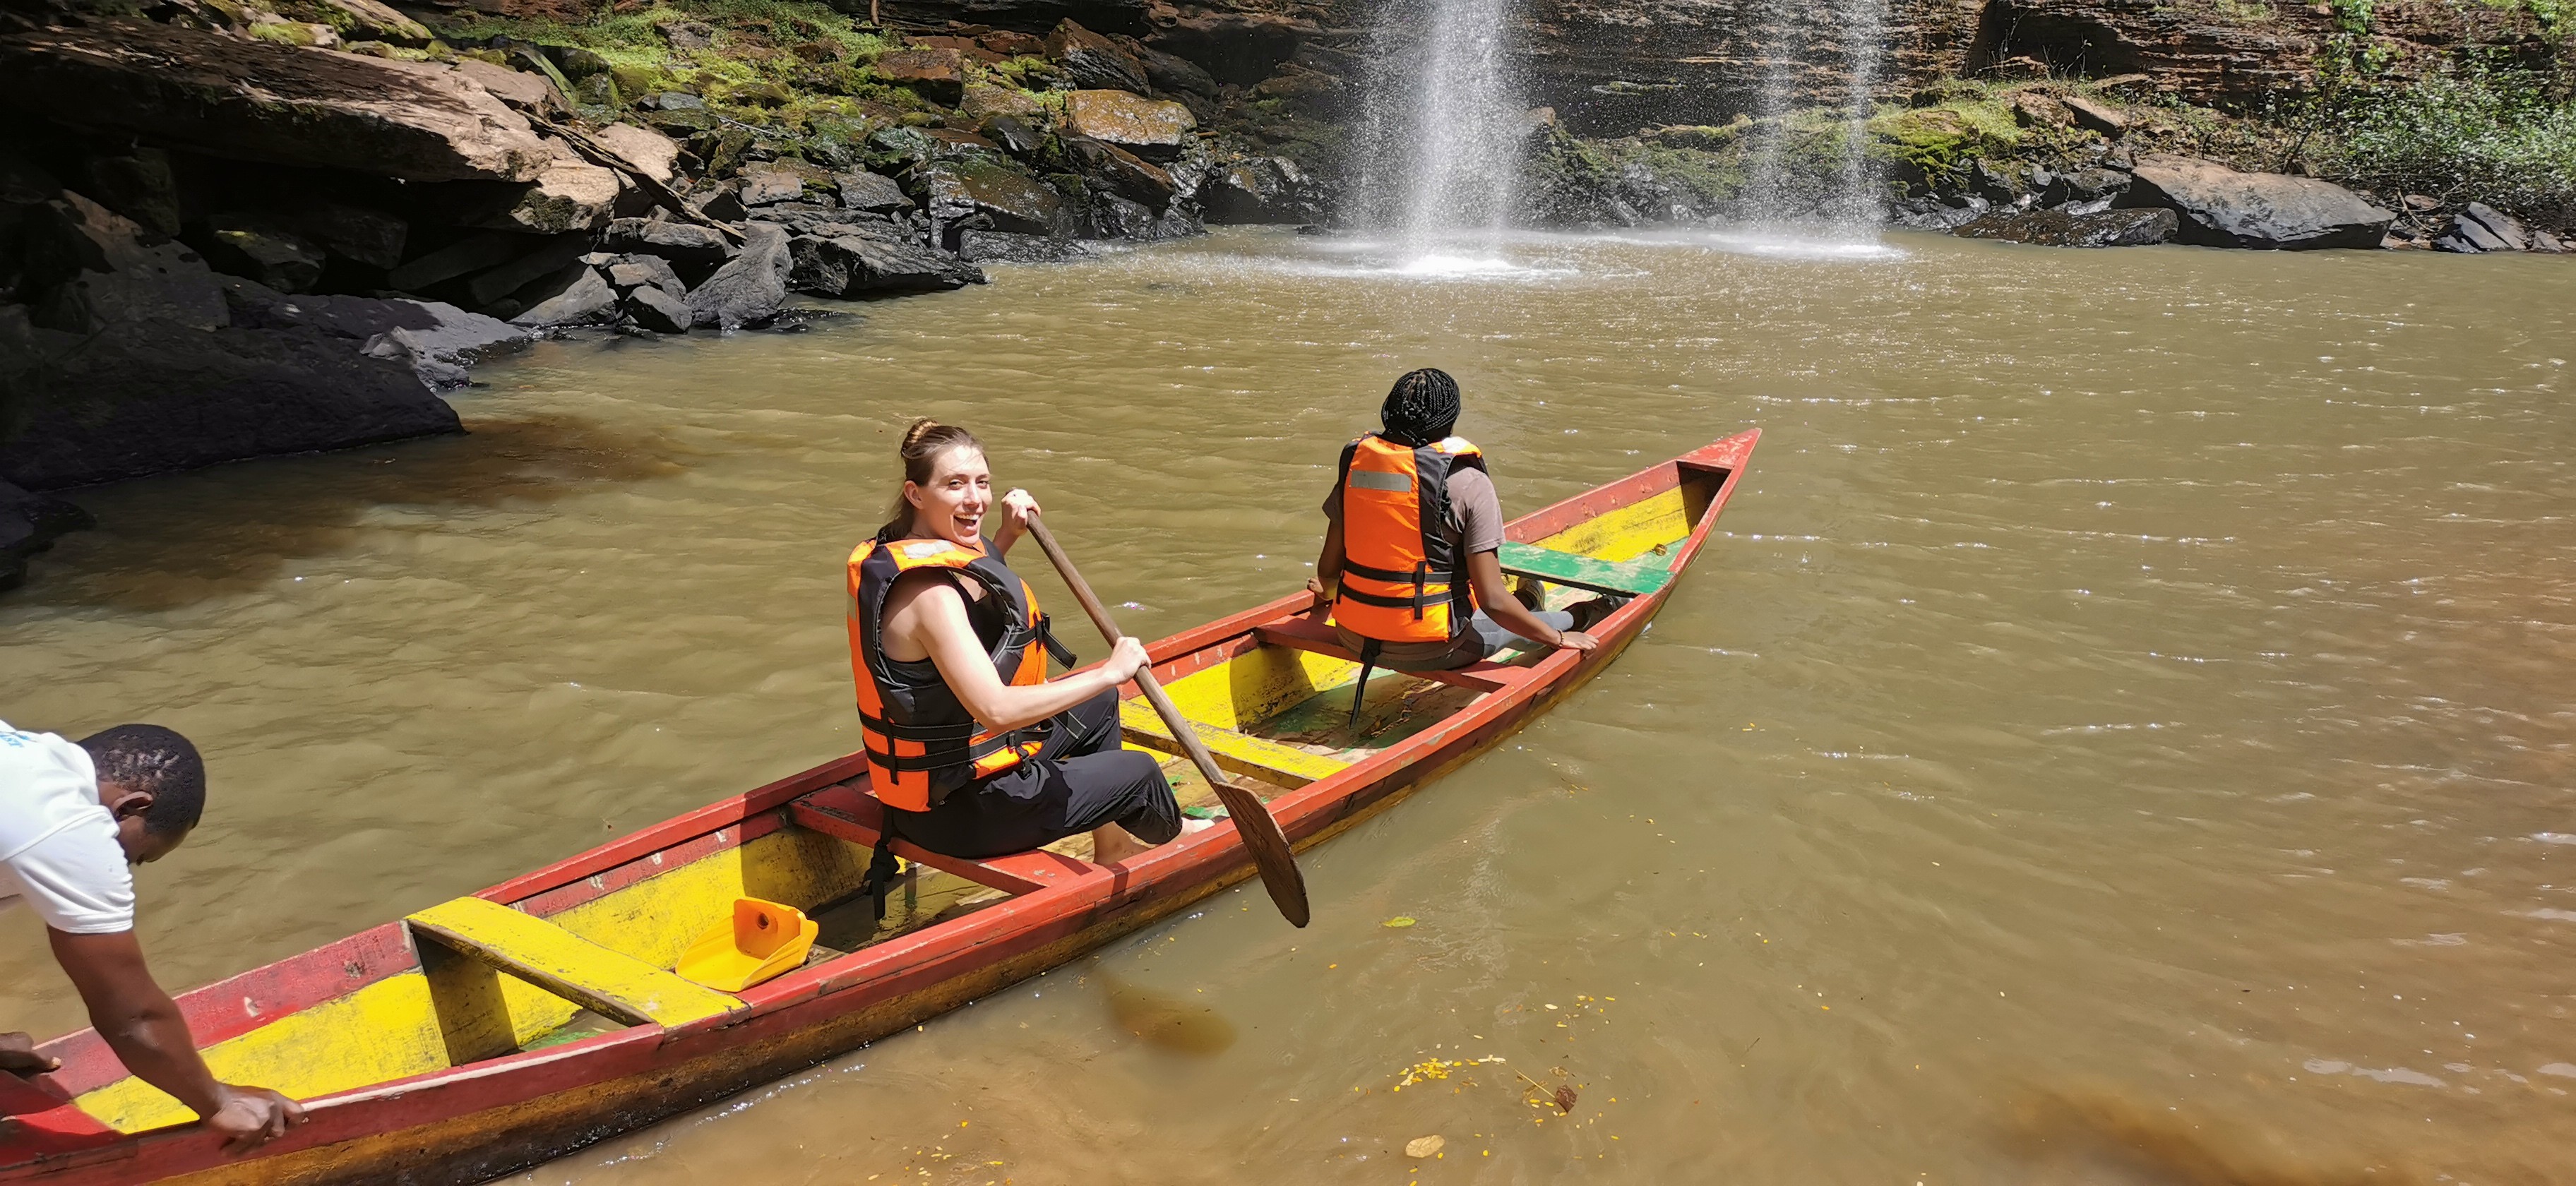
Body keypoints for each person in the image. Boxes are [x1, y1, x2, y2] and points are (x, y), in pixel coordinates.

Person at [845, 419, 1202, 872]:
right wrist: (1110, 671)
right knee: (1140, 774)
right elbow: (996, 710)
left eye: (982, 483)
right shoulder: (928, 597)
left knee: (1098, 706)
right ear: (916, 494)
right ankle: (1184, 838)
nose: (975, 499)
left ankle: (1113, 845)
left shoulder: (904, 548)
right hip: (962, 812)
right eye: (955, 485)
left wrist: (1007, 534)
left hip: (946, 783)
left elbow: (972, 583)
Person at [0, 721, 304, 1151]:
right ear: (131, 807)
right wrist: (216, 1101)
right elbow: (132, 1016)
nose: (121, 867)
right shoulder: (71, 826)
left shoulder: (24, 757)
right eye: (136, 856)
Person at [1306, 368, 1625, 676]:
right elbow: (1493, 602)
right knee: (1502, 625)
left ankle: (1529, 601)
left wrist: (1335, 594)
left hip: (1353, 636)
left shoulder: (1356, 471)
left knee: (1489, 610)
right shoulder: (1468, 482)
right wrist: (1557, 639)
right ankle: (1585, 614)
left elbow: (1327, 574)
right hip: (1436, 648)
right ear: (1451, 420)